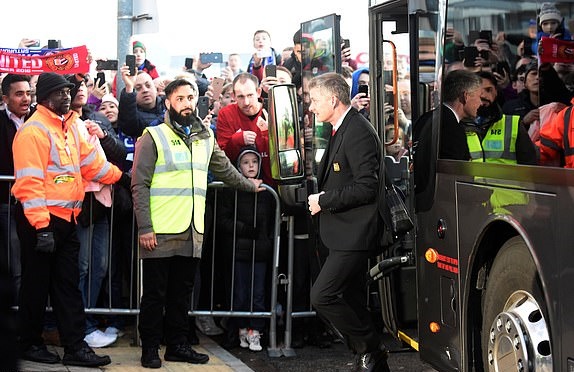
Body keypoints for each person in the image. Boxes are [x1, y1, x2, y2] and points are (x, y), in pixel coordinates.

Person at [131, 78, 264, 368]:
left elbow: (225, 170)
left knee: (182, 294)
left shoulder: (205, 137)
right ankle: (150, 348)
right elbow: (139, 184)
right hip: (160, 230)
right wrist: (145, 227)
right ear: (168, 103)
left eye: (191, 97)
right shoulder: (154, 135)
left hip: (192, 229)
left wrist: (249, 185)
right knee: (155, 295)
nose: (187, 103)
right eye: (180, 98)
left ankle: (177, 345)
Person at [12, 72, 127, 367]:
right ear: (45, 98)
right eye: (61, 93)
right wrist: (42, 228)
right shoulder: (32, 131)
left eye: (69, 92)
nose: (67, 97)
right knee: (36, 287)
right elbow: (29, 185)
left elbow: (93, 164)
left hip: (67, 220)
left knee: (67, 286)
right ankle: (29, 343)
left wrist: (121, 177)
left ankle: (75, 347)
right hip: (39, 222)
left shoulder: (73, 126)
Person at [306, 73, 390, 372]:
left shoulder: (358, 131)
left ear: (333, 99)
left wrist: (323, 200)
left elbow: (367, 186)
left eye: (315, 100)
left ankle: (371, 347)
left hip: (356, 233)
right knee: (352, 300)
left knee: (323, 295)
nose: (311, 107)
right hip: (343, 232)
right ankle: (371, 359)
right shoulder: (341, 128)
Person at [66, 73, 128, 348]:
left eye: (81, 86)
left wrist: (102, 135)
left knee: (99, 268)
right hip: (75, 204)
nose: (79, 91)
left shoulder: (97, 119)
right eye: (73, 87)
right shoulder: (60, 123)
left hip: (100, 205)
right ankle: (81, 325)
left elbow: (117, 153)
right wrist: (120, 176)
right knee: (81, 266)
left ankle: (88, 322)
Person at [217, 146, 275, 352]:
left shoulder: (268, 192)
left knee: (258, 293)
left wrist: (265, 241)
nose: (251, 166)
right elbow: (223, 220)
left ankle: (255, 331)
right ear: (237, 166)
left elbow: (270, 222)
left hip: (260, 251)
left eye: (254, 162)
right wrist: (245, 230)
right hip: (238, 250)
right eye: (245, 162)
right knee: (239, 293)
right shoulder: (231, 189)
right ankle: (241, 328)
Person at [413, 69, 482, 195]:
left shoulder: (425, 119)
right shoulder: (452, 128)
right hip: (443, 206)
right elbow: (454, 180)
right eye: (479, 97)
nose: (480, 103)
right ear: (465, 96)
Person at [0, 74, 31, 298]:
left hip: (37, 204)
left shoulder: (39, 119)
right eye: (19, 94)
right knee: (15, 263)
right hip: (7, 205)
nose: (26, 99)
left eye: (28, 93)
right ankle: (16, 322)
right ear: (5, 98)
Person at [216, 72, 275, 187]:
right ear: (233, 96)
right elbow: (222, 157)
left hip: (272, 183)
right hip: (239, 185)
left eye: (250, 95)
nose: (246, 102)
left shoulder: (273, 109)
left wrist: (268, 134)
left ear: (258, 92)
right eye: (241, 97)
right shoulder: (226, 114)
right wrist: (236, 140)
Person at [466, 71, 537, 165]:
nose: (483, 95)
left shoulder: (512, 124)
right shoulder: (459, 125)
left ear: (496, 92)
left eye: (488, 90)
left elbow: (529, 165)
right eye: (477, 91)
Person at [117, 69, 166, 138]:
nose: (145, 90)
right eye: (138, 88)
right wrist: (129, 87)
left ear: (156, 89)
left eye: (148, 85)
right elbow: (128, 124)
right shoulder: (133, 116)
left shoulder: (169, 104)